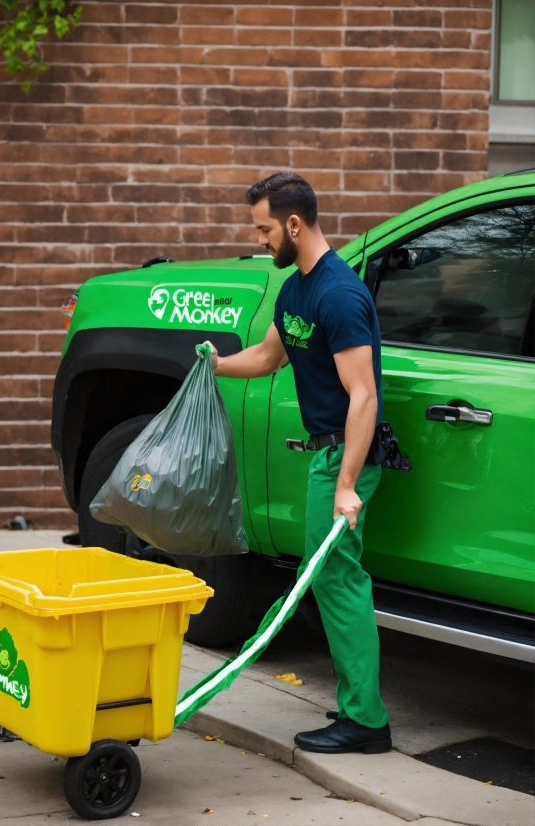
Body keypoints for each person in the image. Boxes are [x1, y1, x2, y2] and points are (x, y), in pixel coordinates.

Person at [205, 172, 391, 755]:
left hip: (348, 456)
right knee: (335, 579)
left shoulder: (339, 294)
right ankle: (360, 709)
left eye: (263, 229)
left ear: (292, 223)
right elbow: (265, 356)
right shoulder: (295, 291)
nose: (259, 240)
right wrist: (212, 364)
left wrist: (345, 487)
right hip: (326, 456)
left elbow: (364, 397)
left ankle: (366, 722)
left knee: (338, 580)